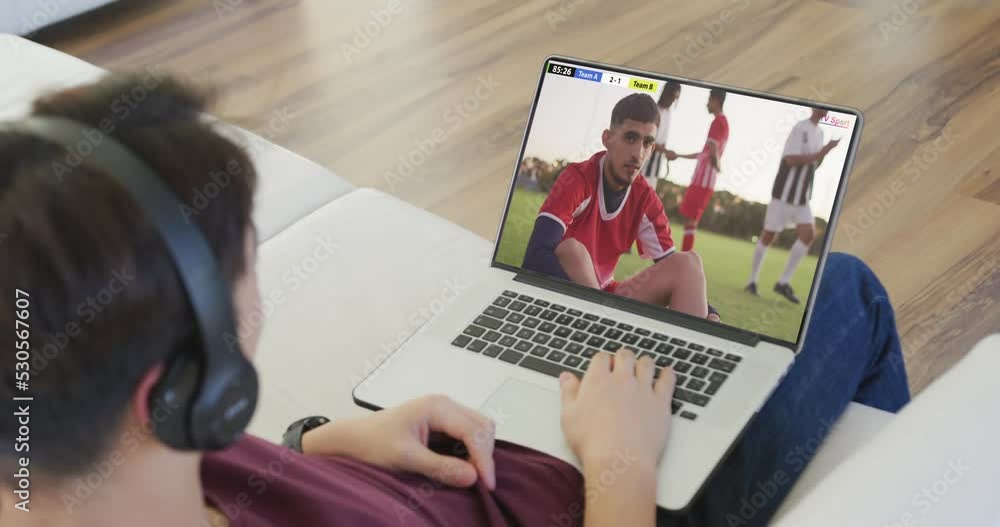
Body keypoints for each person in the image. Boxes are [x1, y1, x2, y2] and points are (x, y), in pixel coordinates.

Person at [1, 74, 909, 527]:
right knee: (852, 291)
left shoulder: (86, 455)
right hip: (610, 482)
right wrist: (624, 462)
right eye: (245, 265)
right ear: (184, 389)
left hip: (476, 448)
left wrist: (318, 443)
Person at [522, 93, 718, 321]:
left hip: (607, 295)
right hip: (572, 293)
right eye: (630, 138)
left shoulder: (645, 198)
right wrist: (587, 304)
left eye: (647, 143)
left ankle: (685, 350)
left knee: (688, 262)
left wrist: (711, 313)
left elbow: (672, 267)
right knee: (572, 249)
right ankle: (598, 325)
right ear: (608, 138)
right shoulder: (577, 178)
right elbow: (535, 256)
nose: (638, 153)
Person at [745, 108, 841, 303]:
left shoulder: (820, 133)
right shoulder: (800, 127)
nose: (826, 110)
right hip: (783, 194)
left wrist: (823, 155)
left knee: (809, 235)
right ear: (815, 108)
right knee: (768, 236)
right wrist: (823, 151)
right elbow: (790, 159)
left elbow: (814, 164)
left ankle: (783, 282)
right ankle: (752, 281)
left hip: (802, 197)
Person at [674, 89, 729, 252]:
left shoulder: (718, 122)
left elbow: (712, 150)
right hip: (703, 180)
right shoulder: (722, 122)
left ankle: (686, 258)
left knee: (691, 220)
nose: (707, 103)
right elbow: (704, 153)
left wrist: (718, 165)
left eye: (709, 100)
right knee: (690, 220)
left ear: (716, 100)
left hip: (703, 180)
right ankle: (686, 257)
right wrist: (679, 155)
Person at [642, 81, 682, 191]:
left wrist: (665, 152)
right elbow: (647, 139)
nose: (673, 100)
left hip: (655, 166)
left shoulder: (668, 114)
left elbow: (663, 141)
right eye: (672, 96)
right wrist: (666, 151)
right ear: (665, 93)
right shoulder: (653, 110)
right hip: (643, 163)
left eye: (675, 98)